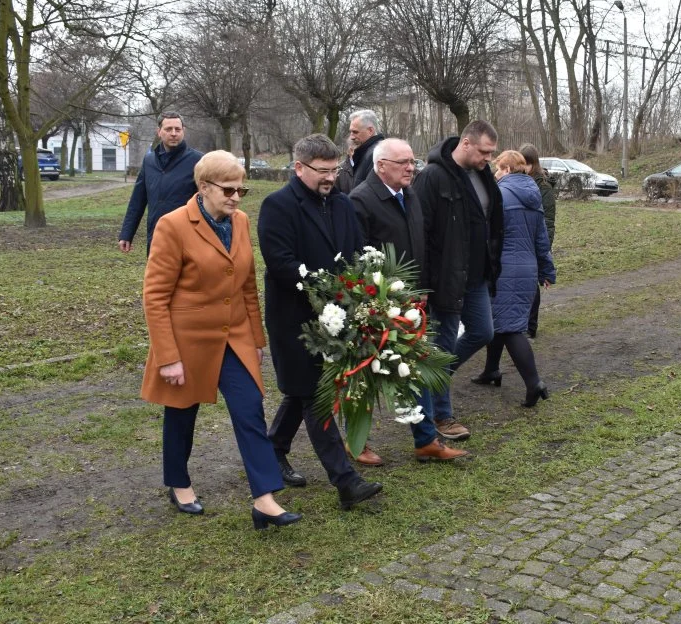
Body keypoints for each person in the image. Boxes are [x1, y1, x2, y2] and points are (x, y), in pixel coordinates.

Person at [141, 150, 301, 530]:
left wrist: (256, 339)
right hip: (187, 339)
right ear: (203, 187)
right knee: (182, 412)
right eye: (228, 189)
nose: (235, 197)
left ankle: (264, 500)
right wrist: (168, 357)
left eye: (241, 190)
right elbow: (155, 296)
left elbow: (246, 283)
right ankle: (178, 482)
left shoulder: (241, 222)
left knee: (250, 409)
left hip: (236, 337)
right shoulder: (173, 225)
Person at [257, 134, 383, 510]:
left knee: (301, 391)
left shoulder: (342, 204)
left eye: (335, 169)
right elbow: (280, 261)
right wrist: (323, 286)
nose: (330, 177)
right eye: (322, 171)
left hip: (339, 315)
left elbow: (357, 252)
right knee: (316, 396)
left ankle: (273, 451)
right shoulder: (277, 205)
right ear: (299, 168)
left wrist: (364, 290)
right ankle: (346, 482)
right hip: (295, 319)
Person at [350, 138, 470, 463]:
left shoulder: (410, 195)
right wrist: (375, 302)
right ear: (380, 166)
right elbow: (356, 258)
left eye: (412, 161)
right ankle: (356, 442)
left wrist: (425, 294)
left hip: (413, 302)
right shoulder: (361, 200)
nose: (410, 167)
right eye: (402, 162)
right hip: (378, 306)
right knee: (367, 373)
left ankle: (426, 439)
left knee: (413, 370)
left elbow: (422, 246)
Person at [412, 120, 504, 442]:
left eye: (491, 153)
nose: (488, 158)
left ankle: (431, 379)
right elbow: (420, 233)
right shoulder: (432, 177)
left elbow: (491, 220)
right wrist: (422, 284)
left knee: (483, 331)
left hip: (477, 275)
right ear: (465, 143)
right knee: (443, 344)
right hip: (446, 279)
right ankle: (442, 415)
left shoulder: (482, 174)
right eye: (484, 152)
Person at [472, 151, 555, 407]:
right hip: (526, 269)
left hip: (504, 269)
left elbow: (486, 236)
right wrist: (546, 270)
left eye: (498, 169)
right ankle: (491, 371)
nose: (495, 174)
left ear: (507, 169)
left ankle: (533, 383)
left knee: (510, 329)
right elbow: (541, 238)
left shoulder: (500, 196)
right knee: (502, 321)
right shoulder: (534, 195)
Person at [119, 111, 203, 255]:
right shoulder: (149, 161)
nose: (173, 133)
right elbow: (137, 200)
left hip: (188, 237)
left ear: (183, 131)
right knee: (156, 276)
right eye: (168, 129)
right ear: (159, 132)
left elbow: (208, 202)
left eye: (177, 129)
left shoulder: (199, 161)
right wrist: (127, 233)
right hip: (156, 235)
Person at [519, 143, 557, 339]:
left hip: (536, 240)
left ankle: (530, 326)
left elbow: (549, 221)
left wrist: (545, 247)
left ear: (533, 163)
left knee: (533, 283)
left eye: (525, 164)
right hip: (521, 239)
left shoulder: (544, 188)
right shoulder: (519, 181)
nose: (522, 167)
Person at [347, 110, 385, 187]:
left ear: (370, 131)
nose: (351, 137)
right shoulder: (363, 151)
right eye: (350, 132)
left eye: (355, 132)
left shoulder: (376, 154)